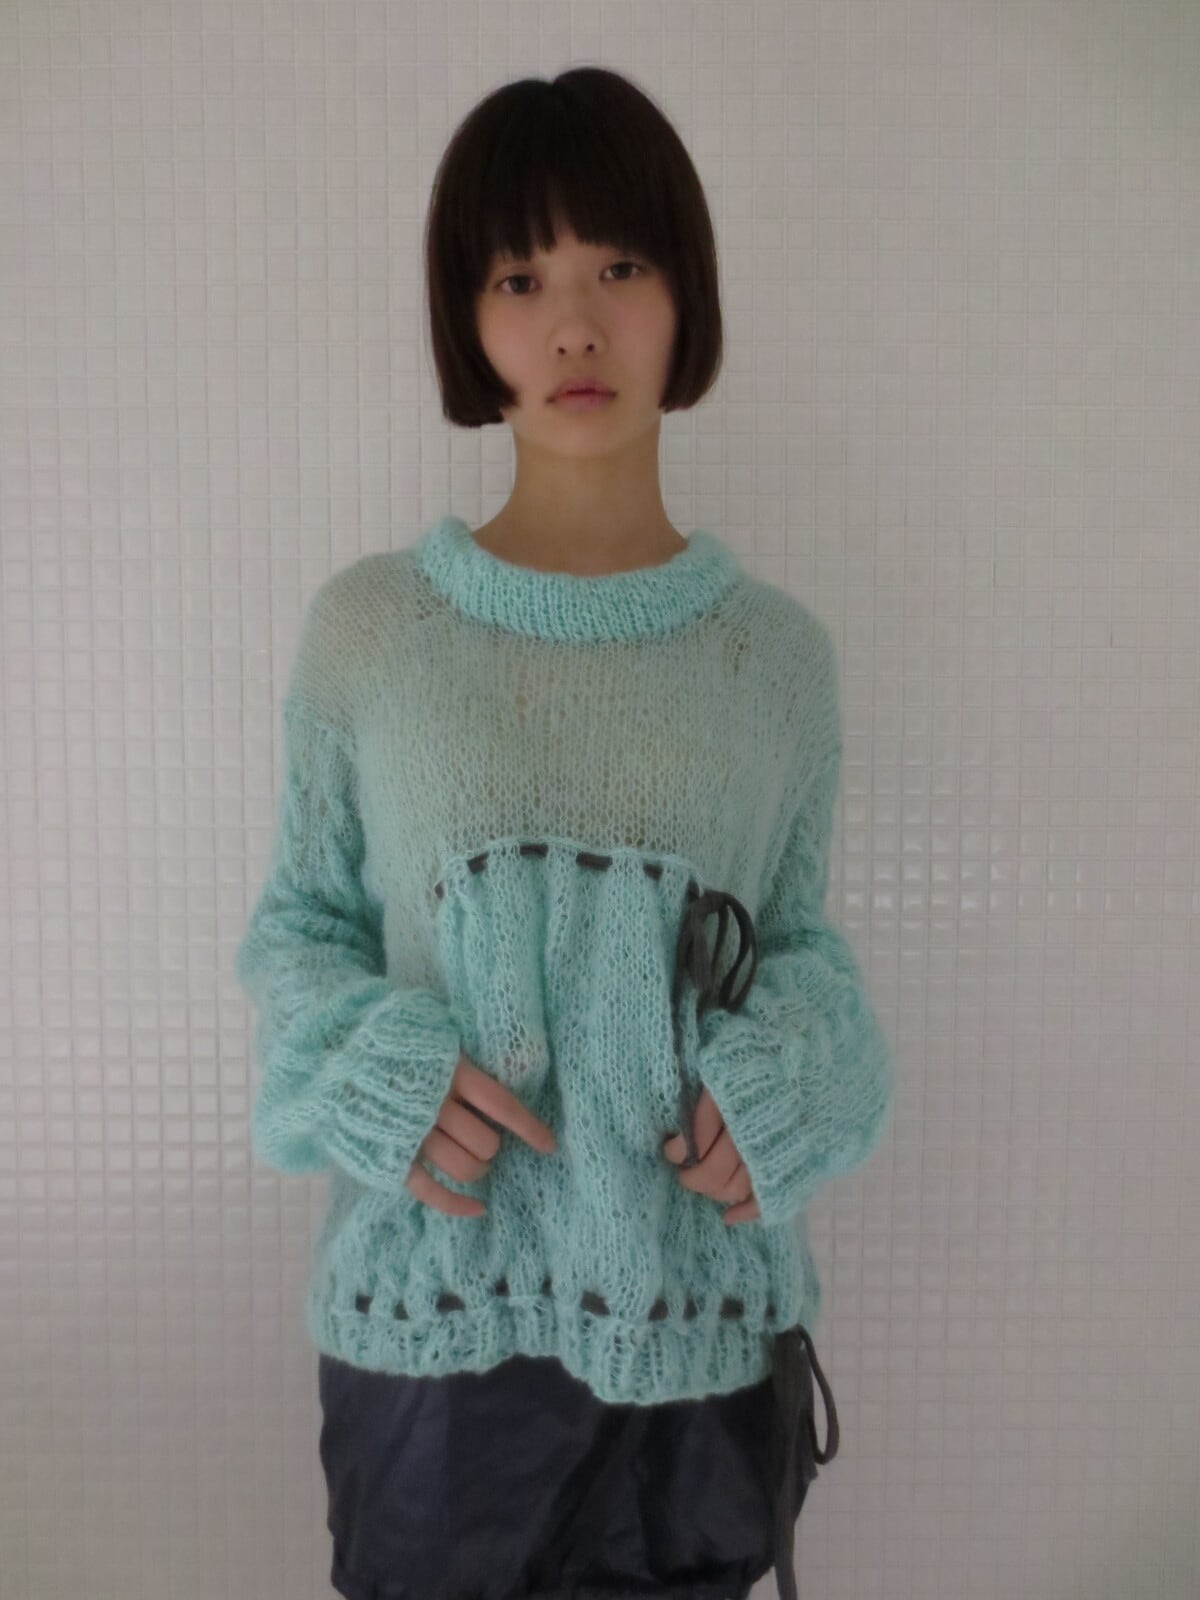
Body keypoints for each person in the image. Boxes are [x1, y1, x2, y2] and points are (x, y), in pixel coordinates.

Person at [235, 65, 894, 1600]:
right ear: (469, 320)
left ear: (684, 294)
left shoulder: (775, 661)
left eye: (620, 265)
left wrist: (795, 1085)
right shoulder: (371, 634)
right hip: (432, 1346)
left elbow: (801, 949)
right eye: (520, 278)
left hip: (700, 1341)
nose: (575, 326)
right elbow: (300, 933)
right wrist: (375, 1073)